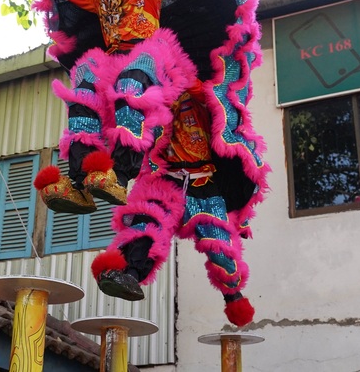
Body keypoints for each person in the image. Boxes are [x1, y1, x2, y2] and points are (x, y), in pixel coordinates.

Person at [34, 0, 195, 212]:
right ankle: (80, 182)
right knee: (85, 85)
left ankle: (119, 176)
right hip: (114, 60)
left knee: (130, 81)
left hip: (149, 60)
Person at [90, 87, 256, 327]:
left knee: (221, 250)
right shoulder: (156, 90)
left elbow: (227, 111)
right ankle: (128, 274)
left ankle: (233, 296)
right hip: (167, 180)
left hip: (206, 185)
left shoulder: (210, 94)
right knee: (147, 223)